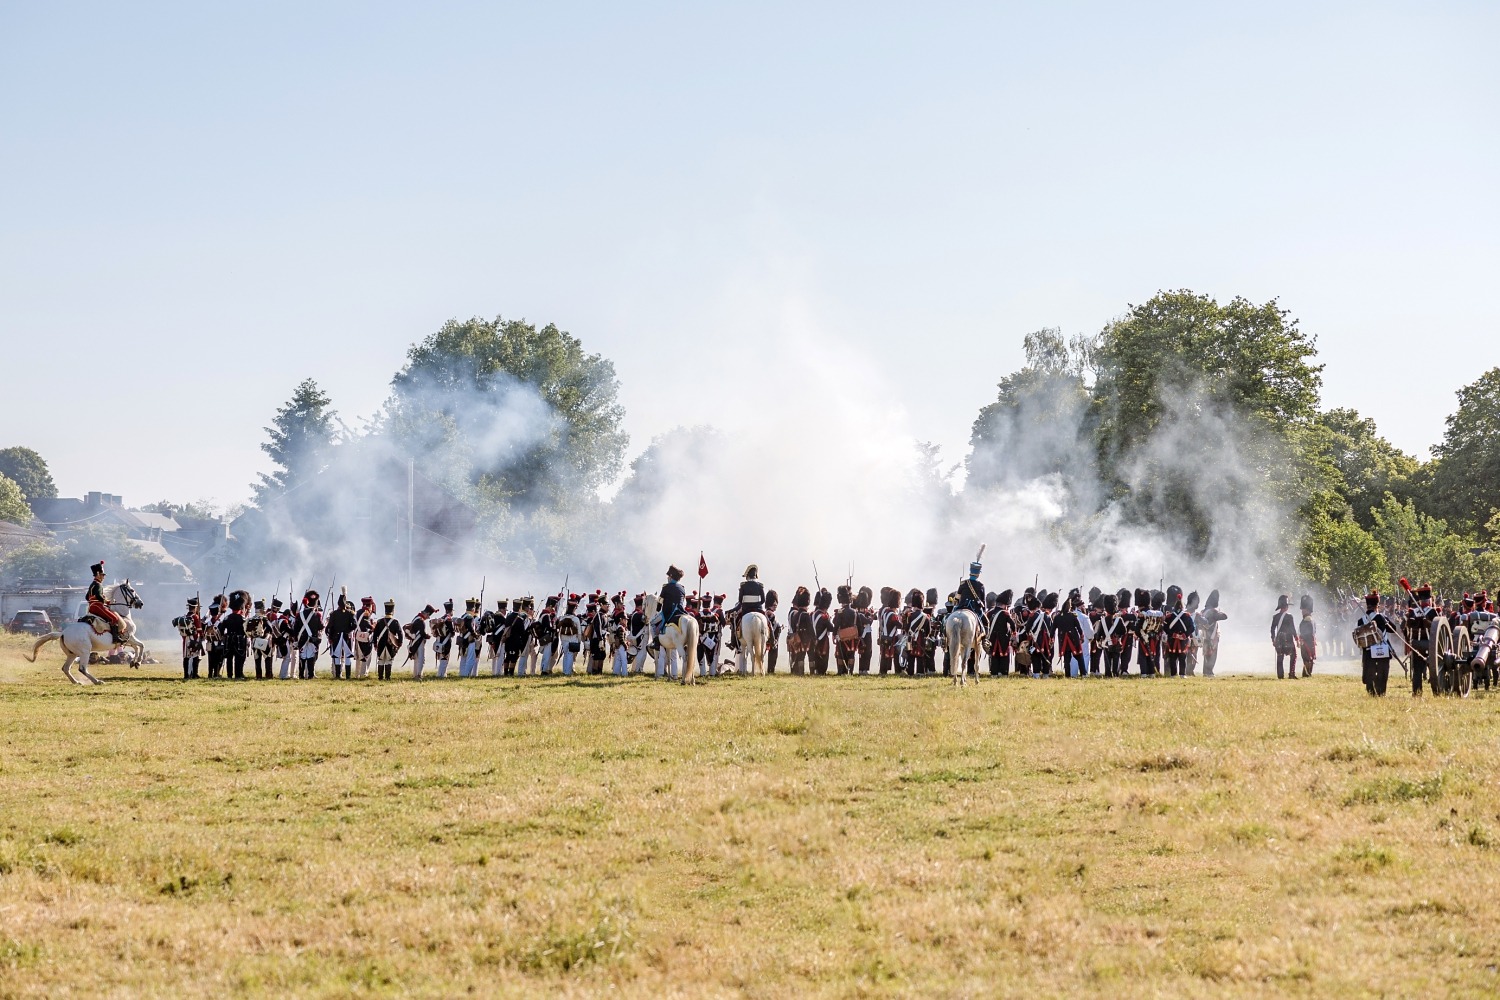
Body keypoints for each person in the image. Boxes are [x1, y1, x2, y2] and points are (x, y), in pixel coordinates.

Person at [1355, 590, 1396, 696]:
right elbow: (1393, 629)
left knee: (1369, 672)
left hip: (1368, 651)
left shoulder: (1360, 620)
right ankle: (1381, 692)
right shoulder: (1381, 617)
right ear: (1377, 605)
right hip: (1382, 649)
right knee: (1383, 672)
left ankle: (1371, 691)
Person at [84, 560, 125, 645]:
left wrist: (94, 600)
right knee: (114, 618)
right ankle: (115, 638)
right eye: (102, 575)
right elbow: (99, 596)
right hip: (98, 606)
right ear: (98, 574)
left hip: (92, 607)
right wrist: (107, 601)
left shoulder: (92, 584)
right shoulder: (98, 585)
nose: (103, 577)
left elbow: (87, 597)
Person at [1162, 589, 1195, 678]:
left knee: (1172, 657)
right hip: (1182, 639)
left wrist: (1172, 634)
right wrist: (1185, 635)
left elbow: (1165, 627)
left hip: (1172, 638)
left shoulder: (1169, 616)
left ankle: (1173, 674)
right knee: (1182, 656)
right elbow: (1192, 627)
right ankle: (1182, 674)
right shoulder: (1187, 616)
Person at [1194, 590, 1228, 677]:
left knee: (1206, 654)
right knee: (1212, 654)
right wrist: (1219, 612)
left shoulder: (1203, 610)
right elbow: (1224, 616)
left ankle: (1206, 671)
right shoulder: (1213, 611)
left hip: (1205, 636)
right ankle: (1209, 672)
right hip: (1212, 636)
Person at [171, 596, 204, 680]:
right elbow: (199, 629)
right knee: (195, 656)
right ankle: (194, 674)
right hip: (194, 639)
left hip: (185, 639)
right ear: (195, 607)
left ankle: (186, 674)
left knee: (186, 657)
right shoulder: (195, 617)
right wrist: (202, 636)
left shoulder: (185, 617)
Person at [295, 590, 324, 680]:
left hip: (302, 638)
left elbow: (296, 628)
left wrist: (296, 638)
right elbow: (320, 626)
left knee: (302, 657)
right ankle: (310, 675)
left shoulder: (299, 615)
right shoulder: (317, 615)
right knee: (311, 657)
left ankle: (301, 675)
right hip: (312, 638)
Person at [326, 594, 357, 680]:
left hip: (336, 636)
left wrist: (330, 636)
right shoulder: (350, 613)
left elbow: (329, 626)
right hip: (347, 636)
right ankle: (348, 676)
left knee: (337, 655)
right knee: (347, 656)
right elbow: (354, 625)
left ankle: (337, 675)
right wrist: (348, 630)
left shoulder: (334, 614)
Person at [372, 600, 402, 680]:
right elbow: (400, 634)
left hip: (381, 644)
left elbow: (375, 634)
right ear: (393, 611)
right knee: (389, 660)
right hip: (390, 644)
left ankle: (380, 677)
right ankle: (387, 677)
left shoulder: (380, 621)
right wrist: (399, 643)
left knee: (381, 660)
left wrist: (375, 644)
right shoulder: (395, 622)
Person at [222, 590, 249, 680]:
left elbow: (221, 629)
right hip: (239, 640)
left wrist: (224, 636)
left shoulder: (227, 617)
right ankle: (238, 675)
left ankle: (229, 675)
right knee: (238, 658)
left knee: (229, 658)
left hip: (229, 639)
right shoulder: (242, 618)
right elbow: (246, 631)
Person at [1270, 594, 1298, 679]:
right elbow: (1292, 629)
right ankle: (1291, 674)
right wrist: (1296, 638)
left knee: (1280, 657)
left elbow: (1272, 629)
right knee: (1293, 655)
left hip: (1278, 639)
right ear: (1286, 606)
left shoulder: (1275, 617)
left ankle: (1280, 675)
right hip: (1288, 639)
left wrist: (1273, 639)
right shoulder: (1289, 616)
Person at [246, 598, 274, 680]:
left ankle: (258, 676)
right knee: (268, 658)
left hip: (255, 641)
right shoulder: (264, 619)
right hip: (264, 640)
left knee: (257, 659)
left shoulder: (252, 619)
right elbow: (270, 628)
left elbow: (248, 630)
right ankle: (268, 675)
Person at [405, 604, 435, 680]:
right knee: (421, 659)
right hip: (419, 642)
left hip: (415, 641)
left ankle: (416, 674)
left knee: (417, 658)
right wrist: (427, 636)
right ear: (427, 613)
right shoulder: (421, 621)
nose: (428, 617)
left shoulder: (416, 618)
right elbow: (422, 633)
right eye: (428, 615)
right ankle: (418, 675)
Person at [432, 600, 455, 678]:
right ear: (451, 610)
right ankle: (441, 675)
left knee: (442, 657)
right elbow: (452, 631)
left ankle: (441, 673)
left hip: (440, 640)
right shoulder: (448, 619)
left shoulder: (442, 618)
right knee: (445, 657)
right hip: (446, 641)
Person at [1298, 594, 1317, 677]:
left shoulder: (1307, 619)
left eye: (1303, 609)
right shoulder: (1310, 618)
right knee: (1309, 657)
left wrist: (1302, 638)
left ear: (1307, 610)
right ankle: (1307, 673)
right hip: (1309, 640)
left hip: (1306, 640)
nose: (1302, 611)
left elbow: (1305, 630)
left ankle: (1306, 673)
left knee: (1306, 657)